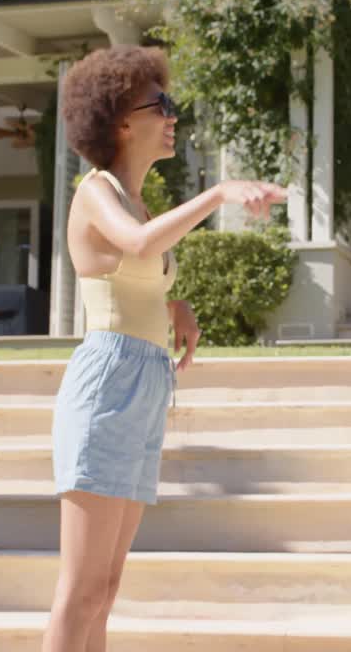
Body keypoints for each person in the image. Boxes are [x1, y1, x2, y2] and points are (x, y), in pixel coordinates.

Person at [42, 45, 287, 652]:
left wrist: (174, 308)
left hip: (145, 383)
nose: (174, 116)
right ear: (122, 121)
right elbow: (138, 245)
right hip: (108, 385)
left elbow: (131, 269)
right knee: (80, 590)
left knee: (106, 587)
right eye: (163, 104)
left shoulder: (137, 200)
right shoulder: (96, 189)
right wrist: (218, 194)